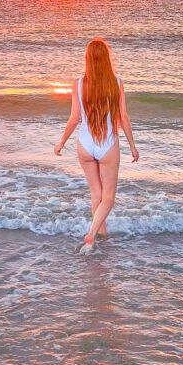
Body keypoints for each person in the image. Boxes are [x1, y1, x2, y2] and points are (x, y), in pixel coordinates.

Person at [54, 38, 139, 253]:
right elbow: (124, 118)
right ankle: (92, 234)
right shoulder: (116, 83)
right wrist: (132, 146)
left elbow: (74, 119)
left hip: (84, 144)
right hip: (108, 144)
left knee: (96, 195)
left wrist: (61, 142)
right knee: (108, 198)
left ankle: (102, 237)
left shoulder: (78, 84)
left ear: (88, 59)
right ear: (107, 59)